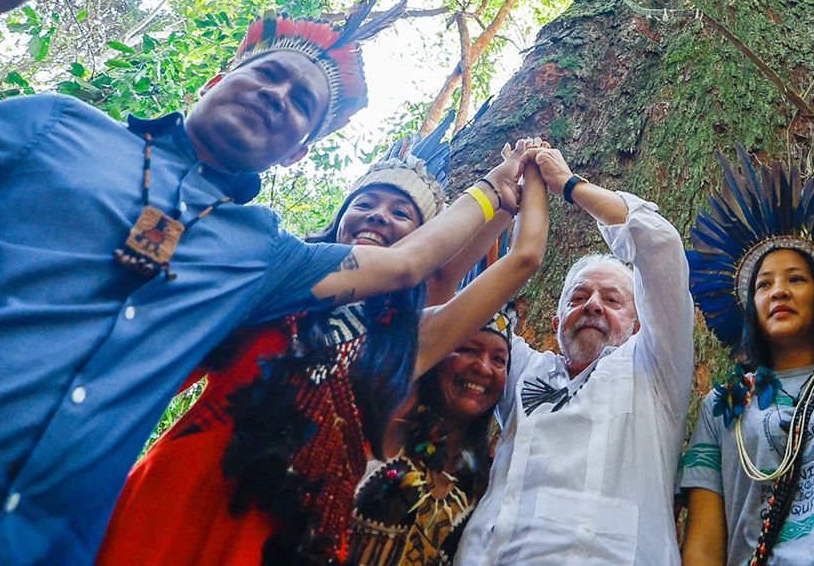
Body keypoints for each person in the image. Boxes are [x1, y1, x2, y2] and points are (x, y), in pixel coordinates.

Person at [0, 0, 522, 566]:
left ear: (301, 151)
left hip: (29, 543)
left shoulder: (263, 255)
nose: (278, 96)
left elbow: (410, 264)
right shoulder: (58, 128)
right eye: (267, 74)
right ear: (217, 79)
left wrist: (498, 186)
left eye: (301, 104)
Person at [97, 124, 549, 566]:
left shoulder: (409, 343)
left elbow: (513, 260)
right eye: (365, 203)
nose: (377, 216)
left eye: (401, 213)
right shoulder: (275, 281)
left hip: (289, 538)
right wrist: (494, 191)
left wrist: (518, 193)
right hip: (179, 493)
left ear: (426, 240)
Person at [455, 147, 695, 566]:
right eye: (580, 297)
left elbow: (659, 244)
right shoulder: (522, 369)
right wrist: (508, 190)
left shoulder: (654, 370)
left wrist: (566, 183)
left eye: (613, 299)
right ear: (556, 321)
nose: (594, 306)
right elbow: (464, 313)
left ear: (640, 324)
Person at [679, 150, 814, 566]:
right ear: (750, 305)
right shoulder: (721, 405)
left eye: (796, 279)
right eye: (763, 284)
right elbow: (704, 544)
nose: (778, 292)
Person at [347, 306, 519, 565]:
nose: (484, 368)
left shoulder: (488, 481)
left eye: (499, 360)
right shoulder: (389, 428)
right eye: (468, 349)